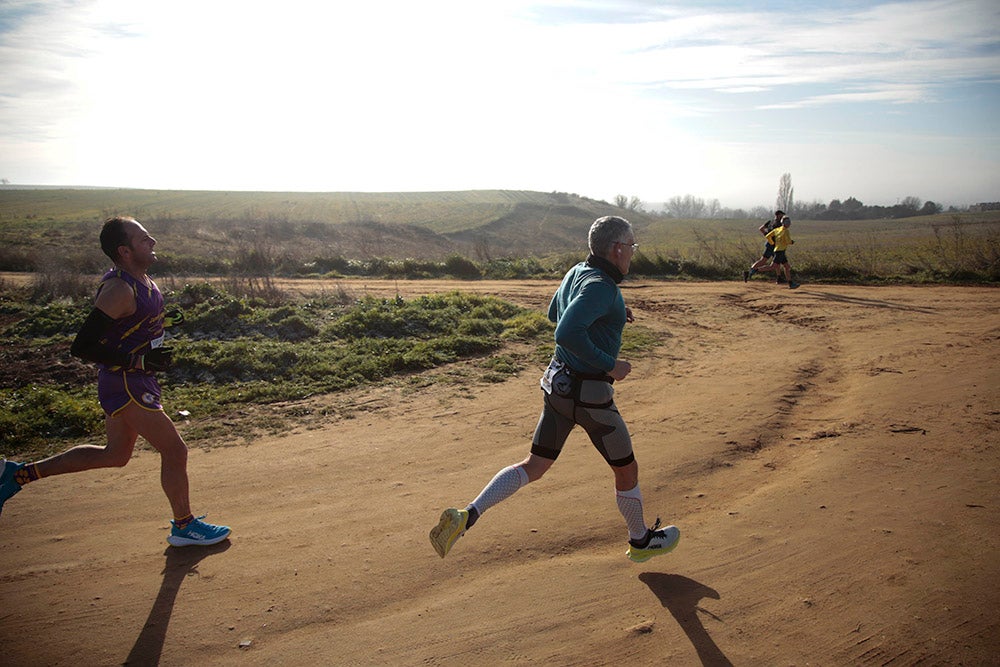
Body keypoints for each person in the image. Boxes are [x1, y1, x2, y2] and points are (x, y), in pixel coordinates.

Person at [429, 215, 679, 563]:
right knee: (626, 469)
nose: (633, 252)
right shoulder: (602, 287)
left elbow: (554, 312)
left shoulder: (578, 271)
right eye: (631, 245)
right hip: (590, 398)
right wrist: (610, 364)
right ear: (617, 249)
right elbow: (565, 331)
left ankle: (467, 515)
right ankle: (640, 541)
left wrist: (612, 313)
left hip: (557, 387)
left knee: (534, 465)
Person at [0, 216, 230, 547]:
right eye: (144, 239)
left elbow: (129, 325)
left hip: (133, 380)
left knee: (115, 454)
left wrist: (162, 321)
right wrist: (139, 361)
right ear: (124, 251)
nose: (152, 242)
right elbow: (83, 346)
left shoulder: (142, 280)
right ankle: (184, 526)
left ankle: (19, 474)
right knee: (175, 450)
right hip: (126, 383)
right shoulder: (119, 289)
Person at [744, 210, 785, 282]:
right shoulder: (779, 224)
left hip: (769, 243)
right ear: (778, 215)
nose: (783, 217)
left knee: (773, 261)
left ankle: (779, 277)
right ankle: (751, 271)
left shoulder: (770, 222)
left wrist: (767, 235)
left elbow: (761, 228)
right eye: (782, 215)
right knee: (766, 261)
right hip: (774, 245)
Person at [759, 216, 800, 289]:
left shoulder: (778, 229)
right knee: (772, 267)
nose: (788, 223)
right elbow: (788, 241)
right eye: (787, 222)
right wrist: (791, 242)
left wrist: (772, 243)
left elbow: (768, 236)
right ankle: (756, 270)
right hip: (780, 252)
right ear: (783, 223)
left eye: (789, 222)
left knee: (787, 266)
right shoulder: (786, 231)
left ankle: (791, 283)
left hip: (779, 250)